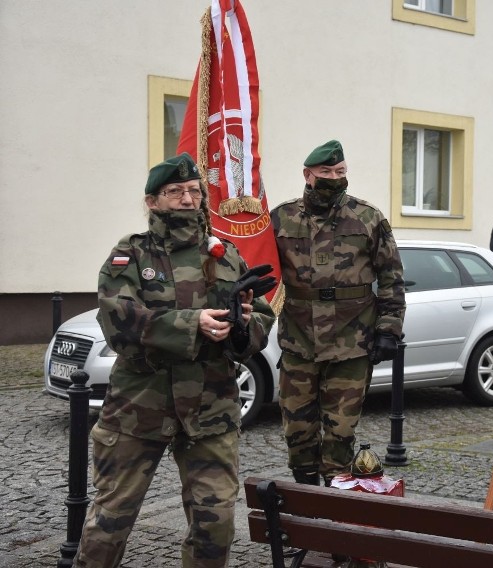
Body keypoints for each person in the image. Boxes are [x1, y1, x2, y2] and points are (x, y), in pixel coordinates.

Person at [74, 153, 276, 568]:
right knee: (111, 519)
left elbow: (261, 317)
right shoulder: (130, 255)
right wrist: (193, 323)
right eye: (175, 192)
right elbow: (119, 322)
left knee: (215, 522)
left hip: (211, 408)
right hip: (139, 407)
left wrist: (238, 326)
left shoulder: (225, 255)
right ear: (153, 202)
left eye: (194, 191)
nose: (187, 199)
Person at [271, 140, 406, 487]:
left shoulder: (368, 218)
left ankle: (335, 509)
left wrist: (389, 329)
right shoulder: (281, 218)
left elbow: (391, 277)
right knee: (298, 431)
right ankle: (303, 508)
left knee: (340, 433)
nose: (334, 178)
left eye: (340, 172)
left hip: (351, 340)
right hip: (299, 341)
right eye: (326, 172)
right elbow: (264, 276)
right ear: (308, 175)